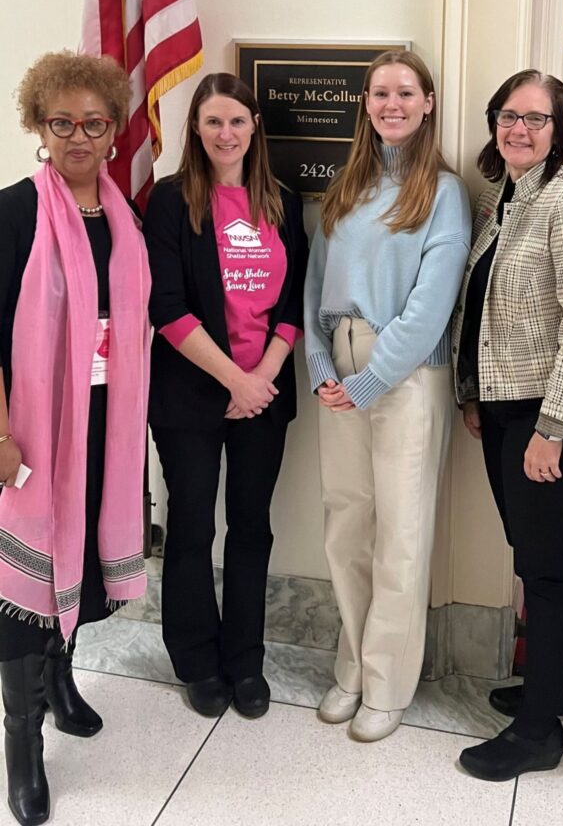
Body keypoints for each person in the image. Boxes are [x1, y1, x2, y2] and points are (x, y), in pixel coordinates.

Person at [0, 51, 150, 825]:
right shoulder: (14, 212)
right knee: (25, 591)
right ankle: (21, 750)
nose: (78, 137)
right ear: (38, 127)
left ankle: (62, 686)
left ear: (115, 132)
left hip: (103, 427)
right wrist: (0, 432)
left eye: (94, 122)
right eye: (62, 123)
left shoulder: (125, 219)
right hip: (31, 432)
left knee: (83, 560)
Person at [304, 50, 470, 742]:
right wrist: (320, 364)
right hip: (337, 366)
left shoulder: (443, 192)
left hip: (405, 374)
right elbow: (314, 285)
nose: (391, 104)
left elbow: (432, 307)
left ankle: (388, 683)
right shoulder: (347, 184)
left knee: (401, 532)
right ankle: (352, 664)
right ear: (364, 104)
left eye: (405, 92)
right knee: (348, 525)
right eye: (379, 93)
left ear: (428, 102)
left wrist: (371, 381)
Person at [452, 69, 563, 781]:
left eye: (536, 119)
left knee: (543, 568)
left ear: (558, 130)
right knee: (531, 552)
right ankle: (561, 682)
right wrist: (471, 394)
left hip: (553, 411)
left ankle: (539, 729)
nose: (519, 129)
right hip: (505, 405)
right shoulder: (507, 197)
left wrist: (554, 426)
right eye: (508, 116)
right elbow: (483, 308)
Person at [143, 73, 307, 722]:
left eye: (236, 120)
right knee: (190, 528)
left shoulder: (282, 201)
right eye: (212, 121)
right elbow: (166, 307)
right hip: (190, 395)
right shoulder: (169, 200)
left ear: (254, 127)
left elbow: (293, 303)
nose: (225, 133)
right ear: (195, 129)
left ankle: (245, 660)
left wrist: (259, 379)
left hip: (262, 396)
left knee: (251, 529)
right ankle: (194, 658)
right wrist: (232, 381)